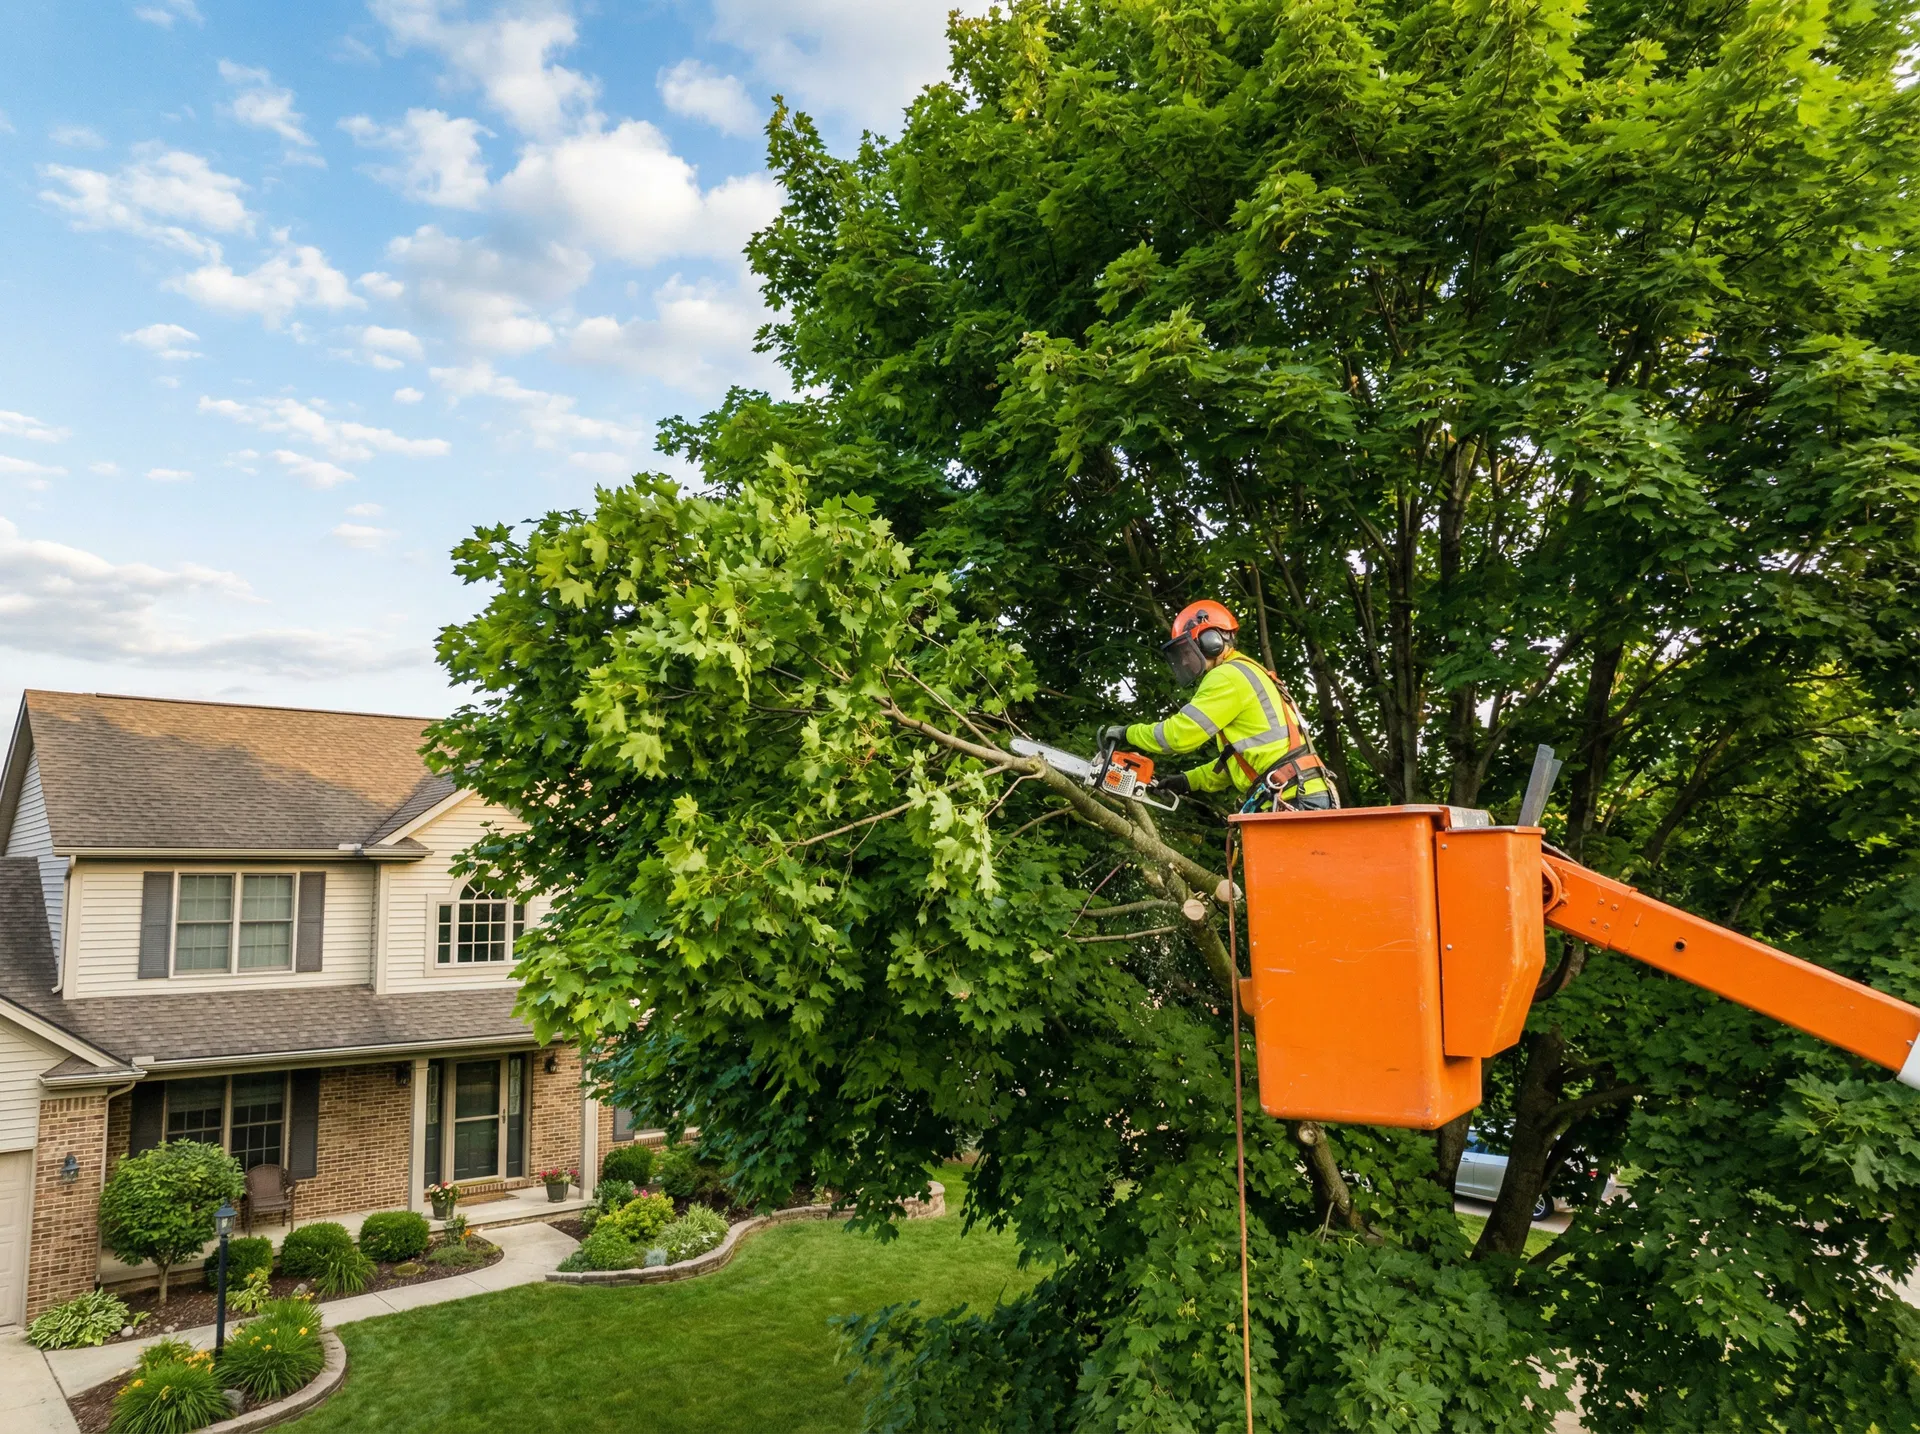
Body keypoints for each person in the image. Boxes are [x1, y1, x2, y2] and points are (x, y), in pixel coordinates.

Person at [1105, 600, 1338, 812]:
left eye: (1187, 650)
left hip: (1294, 796)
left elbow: (1177, 736)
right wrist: (1186, 781)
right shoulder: (1247, 671)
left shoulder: (1227, 676)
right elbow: (1234, 765)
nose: (1185, 660)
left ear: (1212, 641)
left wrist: (1127, 733)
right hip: (1299, 792)